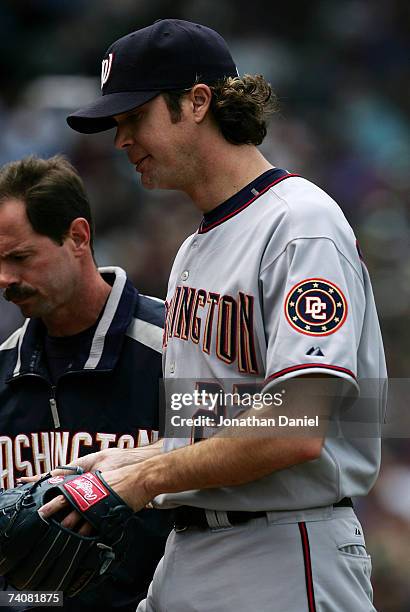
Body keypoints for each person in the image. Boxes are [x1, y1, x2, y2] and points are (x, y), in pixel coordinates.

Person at [42, 19, 386, 611]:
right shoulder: (193, 250)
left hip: (284, 543)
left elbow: (298, 428)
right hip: (195, 545)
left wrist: (146, 479)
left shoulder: (300, 223)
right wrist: (136, 458)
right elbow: (213, 421)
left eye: (134, 117)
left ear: (197, 102)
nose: (121, 139)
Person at [0, 155, 172, 611]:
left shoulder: (174, 349)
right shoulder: (3, 369)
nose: (4, 279)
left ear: (78, 237)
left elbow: (302, 424)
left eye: (20, 257)